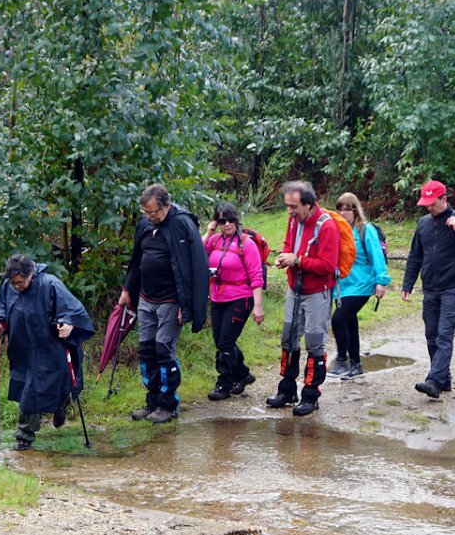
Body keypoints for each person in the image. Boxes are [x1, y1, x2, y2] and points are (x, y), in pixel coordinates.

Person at [118, 183, 209, 424]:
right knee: (147, 350)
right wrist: (127, 289)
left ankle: (168, 404)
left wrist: (186, 306)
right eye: (145, 212)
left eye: (153, 212)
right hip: (146, 298)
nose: (149, 217)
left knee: (163, 350)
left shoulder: (181, 225)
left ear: (166, 205)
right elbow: (136, 260)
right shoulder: (145, 225)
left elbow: (194, 268)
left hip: (170, 300)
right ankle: (153, 401)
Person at [0, 254, 95, 451]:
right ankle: (25, 434)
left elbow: (73, 311)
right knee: (28, 387)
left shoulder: (50, 284)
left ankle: (56, 408)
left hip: (49, 347)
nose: (16, 287)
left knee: (52, 384)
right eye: (13, 283)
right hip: (22, 348)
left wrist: (69, 325)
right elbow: (1, 307)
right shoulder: (8, 286)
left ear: (30, 274)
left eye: (20, 283)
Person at [400, 180, 455, 399]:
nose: (429, 207)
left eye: (432, 203)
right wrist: (407, 284)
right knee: (431, 335)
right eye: (426, 204)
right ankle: (444, 378)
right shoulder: (423, 224)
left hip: (453, 287)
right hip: (429, 287)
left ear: (444, 199)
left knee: (444, 335)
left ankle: (434, 381)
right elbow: (415, 256)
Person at [267, 181, 340, 417]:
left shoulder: (327, 227)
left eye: (294, 206)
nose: (289, 211)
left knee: (315, 343)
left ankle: (310, 396)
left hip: (317, 292)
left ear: (308, 204)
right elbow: (289, 246)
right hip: (295, 289)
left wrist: (297, 261)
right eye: (287, 206)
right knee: (288, 339)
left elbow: (327, 265)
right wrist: (283, 258)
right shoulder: (293, 221)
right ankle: (287, 391)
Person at [202, 201, 265, 400]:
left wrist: (258, 306)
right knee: (220, 341)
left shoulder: (247, 244)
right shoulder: (214, 240)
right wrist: (209, 231)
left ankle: (224, 384)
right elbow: (197, 253)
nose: (227, 224)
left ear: (236, 220)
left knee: (225, 343)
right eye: (222, 221)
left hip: (240, 298)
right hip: (218, 297)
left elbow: (256, 276)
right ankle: (242, 374)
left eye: (230, 220)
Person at [328, 192, 390, 379]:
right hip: (341, 286)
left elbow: (376, 256)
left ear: (355, 210)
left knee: (338, 319)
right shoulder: (337, 231)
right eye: (339, 209)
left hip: (361, 285)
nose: (342, 213)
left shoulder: (365, 230)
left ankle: (341, 360)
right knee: (349, 323)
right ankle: (356, 365)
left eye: (346, 209)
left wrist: (381, 281)